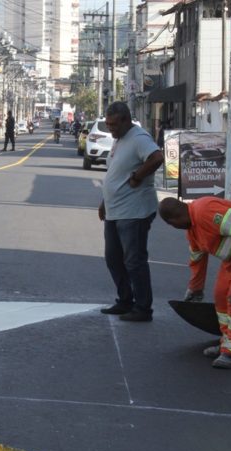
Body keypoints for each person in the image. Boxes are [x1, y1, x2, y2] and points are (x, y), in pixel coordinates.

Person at [98, 101, 164, 322]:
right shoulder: (119, 139)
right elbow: (115, 173)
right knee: (113, 259)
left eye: (114, 124)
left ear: (126, 120)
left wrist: (138, 176)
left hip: (134, 211)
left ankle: (143, 308)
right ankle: (125, 301)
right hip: (115, 210)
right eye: (108, 124)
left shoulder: (139, 138)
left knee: (134, 261)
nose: (110, 129)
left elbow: (157, 157)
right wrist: (104, 201)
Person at [158, 196, 231, 369]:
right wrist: (195, 289)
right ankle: (227, 343)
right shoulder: (193, 232)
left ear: (173, 221)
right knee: (220, 297)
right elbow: (197, 261)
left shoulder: (205, 210)